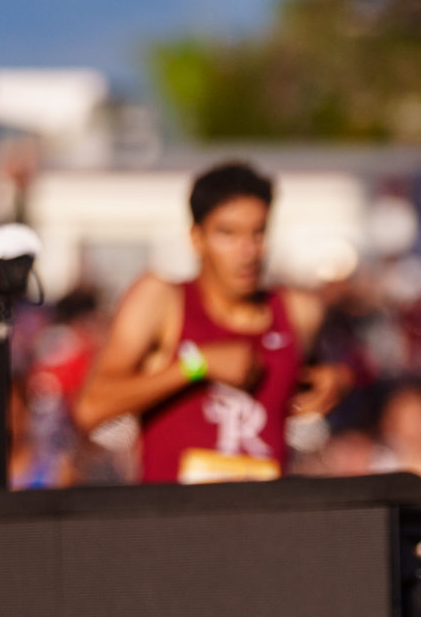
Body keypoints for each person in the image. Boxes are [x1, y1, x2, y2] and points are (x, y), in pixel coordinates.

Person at [72, 161, 348, 482]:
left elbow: (316, 380)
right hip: (175, 510)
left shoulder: (298, 310)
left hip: (265, 510)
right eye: (227, 234)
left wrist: (340, 380)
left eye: (258, 233)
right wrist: (195, 365)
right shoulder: (162, 300)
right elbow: (90, 408)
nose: (247, 252)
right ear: (196, 237)